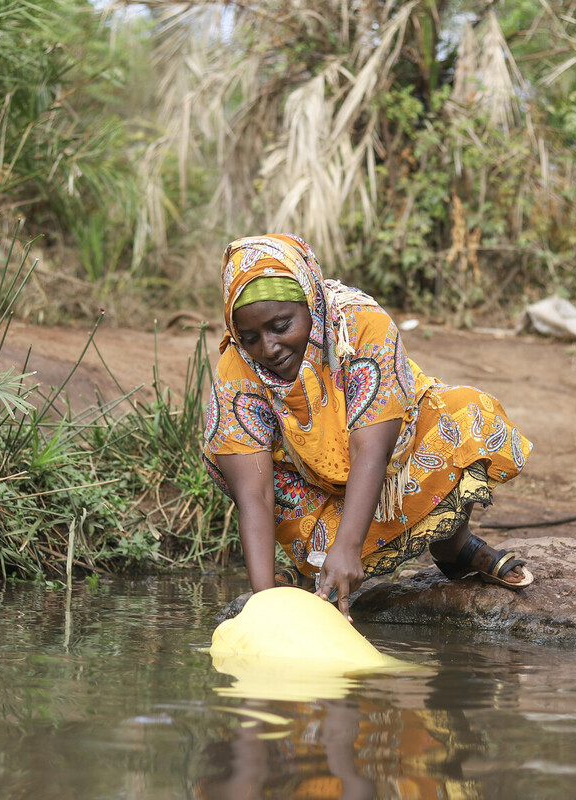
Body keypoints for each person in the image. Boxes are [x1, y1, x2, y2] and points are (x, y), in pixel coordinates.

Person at [202, 234, 533, 618]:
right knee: (229, 454)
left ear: (310, 302)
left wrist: (346, 549)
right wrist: (263, 605)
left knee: (468, 414)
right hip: (315, 488)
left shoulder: (360, 325)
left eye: (280, 325)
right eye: (251, 337)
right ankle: (314, 562)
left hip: (390, 463)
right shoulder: (238, 366)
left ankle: (451, 543)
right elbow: (255, 494)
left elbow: (370, 453)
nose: (269, 348)